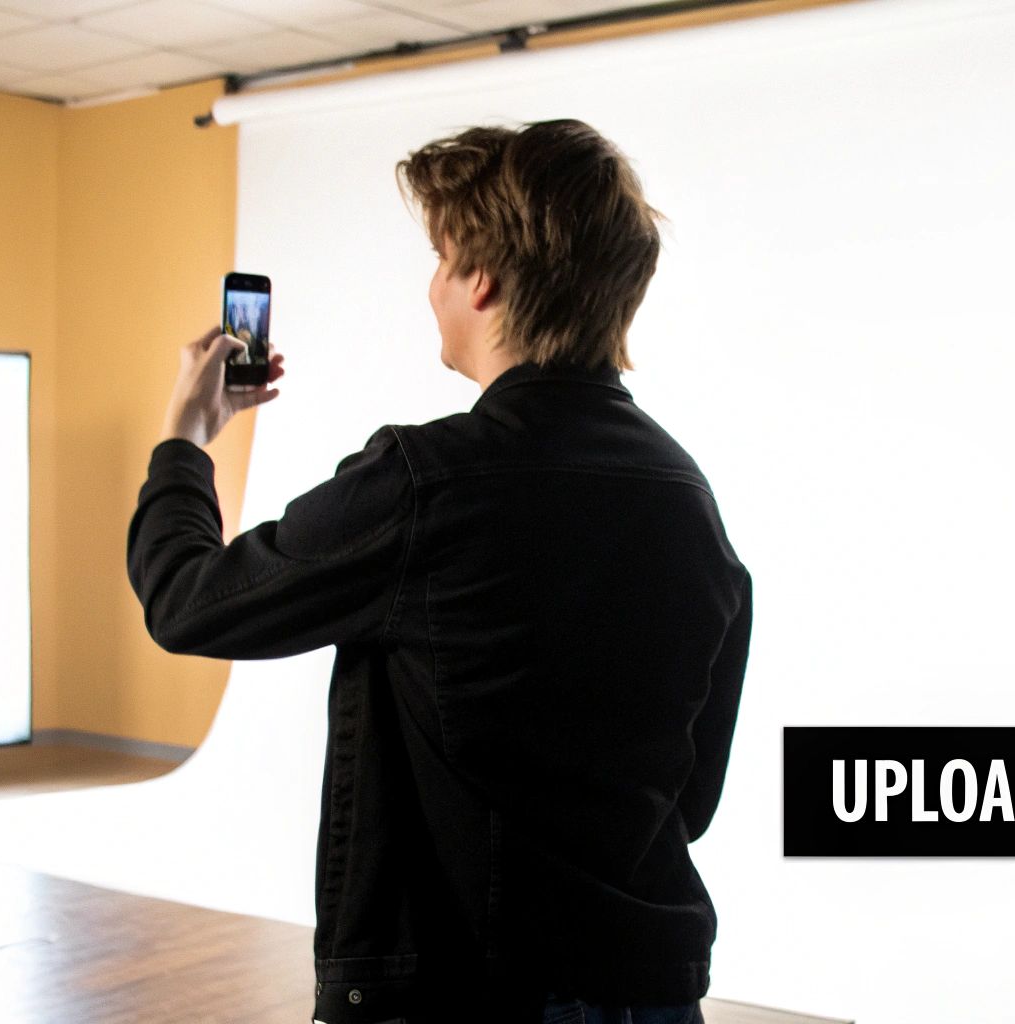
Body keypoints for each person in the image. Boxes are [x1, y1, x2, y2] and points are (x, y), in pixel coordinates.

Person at [126, 118, 751, 1024]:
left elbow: (189, 603)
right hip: (648, 987)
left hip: (465, 995)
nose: (432, 288)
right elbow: (689, 797)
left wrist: (184, 439)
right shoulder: (687, 498)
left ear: (483, 280)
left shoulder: (423, 485)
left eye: (442, 257)